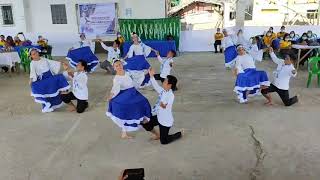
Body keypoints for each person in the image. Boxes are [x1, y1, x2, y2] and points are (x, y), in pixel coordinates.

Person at [106, 59, 151, 139]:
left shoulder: (127, 72)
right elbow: (115, 88)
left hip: (133, 92)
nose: (119, 67)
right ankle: (125, 131)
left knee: (144, 101)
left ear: (122, 65)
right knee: (127, 111)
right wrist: (111, 96)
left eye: (120, 65)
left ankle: (141, 119)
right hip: (125, 94)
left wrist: (145, 73)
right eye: (117, 66)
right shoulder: (116, 78)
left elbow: (136, 77)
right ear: (114, 68)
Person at [141, 68, 183, 145]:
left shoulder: (170, 96)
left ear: (169, 85)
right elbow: (156, 86)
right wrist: (151, 76)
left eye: (165, 81)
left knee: (164, 141)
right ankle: (157, 134)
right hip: (159, 117)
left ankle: (178, 134)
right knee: (144, 122)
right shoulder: (164, 91)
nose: (163, 82)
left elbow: (165, 106)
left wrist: (162, 105)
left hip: (165, 121)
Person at [29, 48, 70, 113]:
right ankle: (46, 106)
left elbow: (52, 63)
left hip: (50, 76)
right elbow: (32, 73)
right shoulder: (32, 63)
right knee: (45, 93)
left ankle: (54, 105)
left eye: (36, 52)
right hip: (43, 79)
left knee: (53, 90)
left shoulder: (43, 59)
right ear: (31, 56)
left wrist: (61, 63)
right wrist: (31, 81)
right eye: (33, 54)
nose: (36, 54)